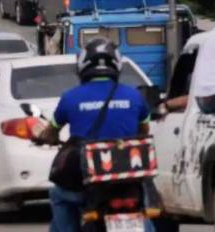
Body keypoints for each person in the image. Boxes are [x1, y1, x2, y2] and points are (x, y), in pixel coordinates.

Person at [40, 38, 152, 232]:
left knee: (59, 196)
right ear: (117, 65)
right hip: (127, 179)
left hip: (84, 180)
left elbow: (51, 132)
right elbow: (144, 132)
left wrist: (44, 137)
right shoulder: (135, 96)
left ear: (83, 66)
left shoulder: (70, 98)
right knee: (144, 205)